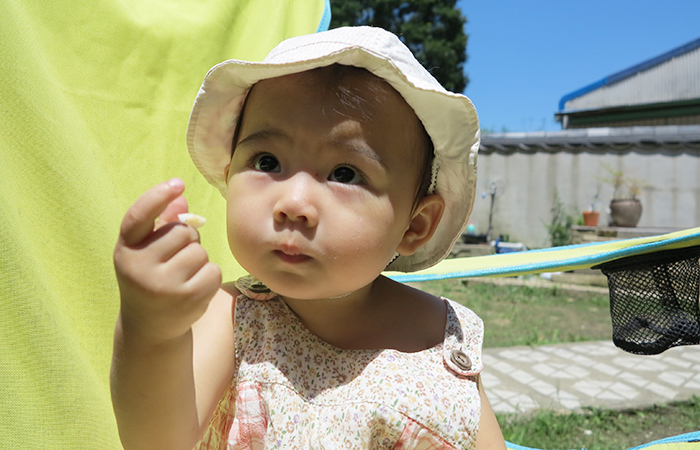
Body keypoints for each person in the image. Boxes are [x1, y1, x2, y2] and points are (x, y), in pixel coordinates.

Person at [110, 26, 506, 450]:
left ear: (415, 225)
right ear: (229, 177)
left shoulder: (444, 337)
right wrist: (150, 329)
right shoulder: (230, 321)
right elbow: (154, 440)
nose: (293, 202)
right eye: (267, 161)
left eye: (345, 173)